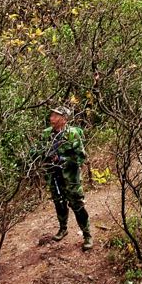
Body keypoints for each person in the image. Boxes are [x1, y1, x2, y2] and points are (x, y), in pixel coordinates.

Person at [40, 106, 92, 250]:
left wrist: (63, 159)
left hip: (70, 177)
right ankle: (63, 229)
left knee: (77, 205)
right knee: (59, 203)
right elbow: (39, 152)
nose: (51, 118)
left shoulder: (73, 134)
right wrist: (47, 158)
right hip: (54, 176)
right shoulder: (46, 134)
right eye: (51, 115)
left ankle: (87, 235)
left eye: (55, 116)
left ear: (63, 119)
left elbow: (81, 157)